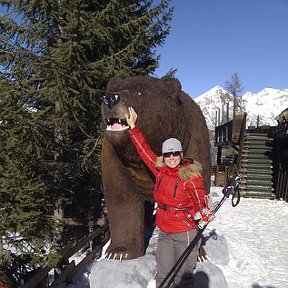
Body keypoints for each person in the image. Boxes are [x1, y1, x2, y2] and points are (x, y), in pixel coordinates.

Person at [125, 107, 209, 288]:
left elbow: (199, 200)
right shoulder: (160, 170)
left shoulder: (190, 176)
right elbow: (144, 151)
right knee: (163, 274)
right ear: (164, 156)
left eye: (175, 154)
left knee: (183, 276)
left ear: (180, 154)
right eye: (167, 154)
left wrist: (203, 213)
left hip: (184, 231)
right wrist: (133, 127)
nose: (171, 158)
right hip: (164, 231)